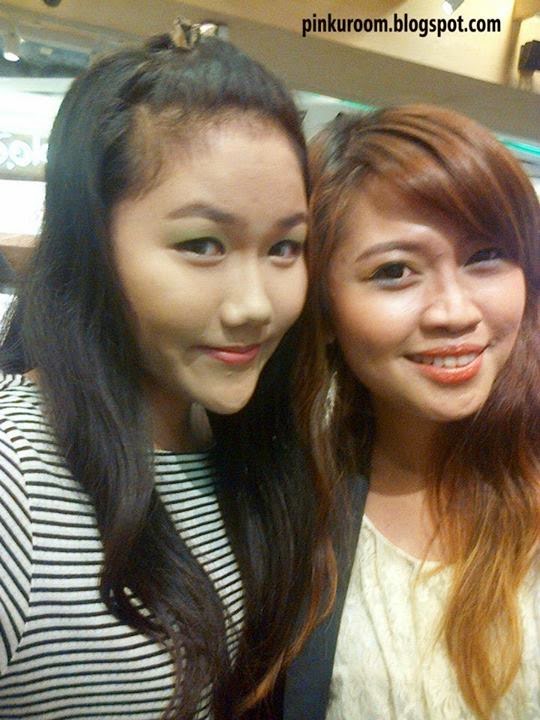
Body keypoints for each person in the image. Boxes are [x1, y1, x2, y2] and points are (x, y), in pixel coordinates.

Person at [0, 21, 335, 720]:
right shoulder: (16, 483)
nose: (255, 306)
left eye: (284, 248)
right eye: (203, 245)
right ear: (92, 244)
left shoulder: (250, 455)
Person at [292, 105, 540, 720]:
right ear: (323, 307)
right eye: (395, 271)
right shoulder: (287, 511)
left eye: (486, 255)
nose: (454, 312)